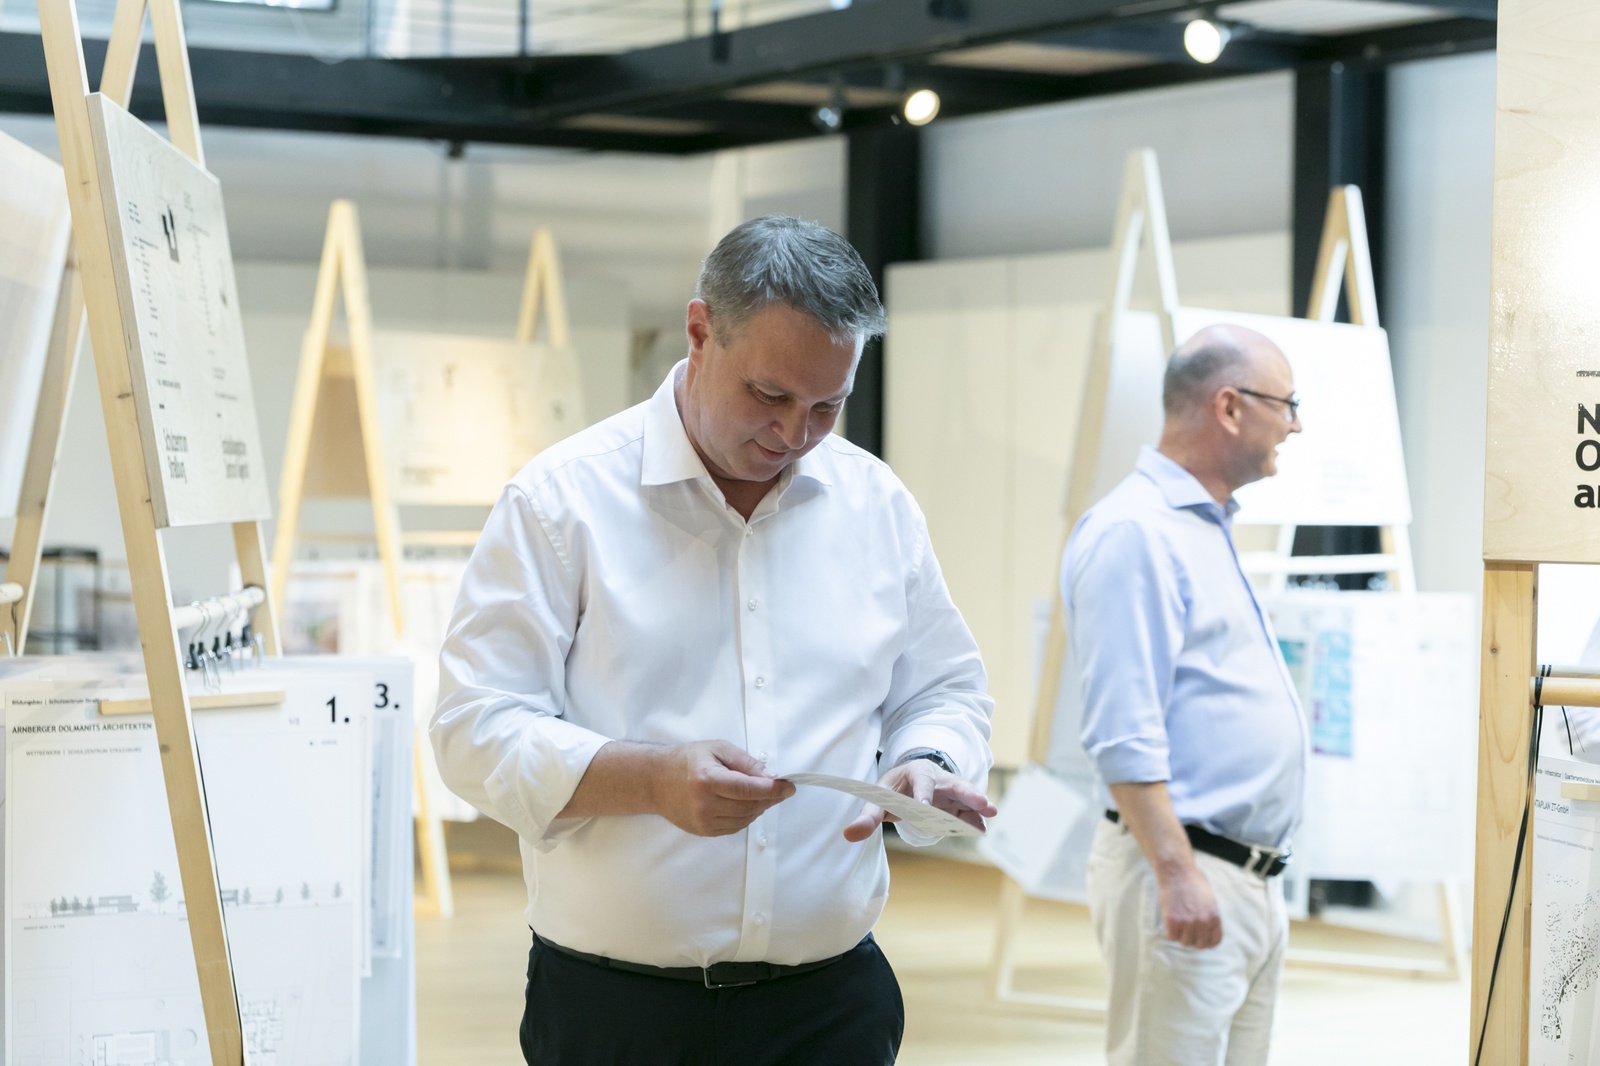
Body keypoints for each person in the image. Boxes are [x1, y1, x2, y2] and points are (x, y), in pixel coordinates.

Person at [430, 214, 996, 1066]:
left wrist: (929, 760)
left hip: (832, 1008)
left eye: (827, 406)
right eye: (769, 396)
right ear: (700, 332)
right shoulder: (561, 503)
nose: (795, 434)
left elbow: (943, 688)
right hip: (618, 1013)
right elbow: (473, 729)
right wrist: (649, 780)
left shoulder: (875, 504)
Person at [1063, 324, 1307, 1065]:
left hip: (1244, 876)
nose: (1295, 426)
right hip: (1183, 869)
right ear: (1229, 407)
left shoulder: (1202, 525)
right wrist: (1177, 873)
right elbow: (1122, 732)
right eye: (1287, 405)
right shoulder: (1135, 533)